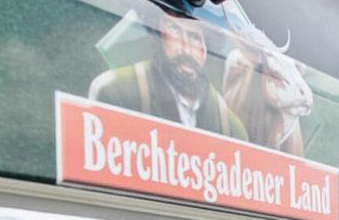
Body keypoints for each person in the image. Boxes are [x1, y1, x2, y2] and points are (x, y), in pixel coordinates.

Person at [89, 10, 248, 141]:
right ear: (155, 36)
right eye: (174, 30)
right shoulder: (116, 91)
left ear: (206, 50)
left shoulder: (231, 129)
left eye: (194, 37)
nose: (186, 49)